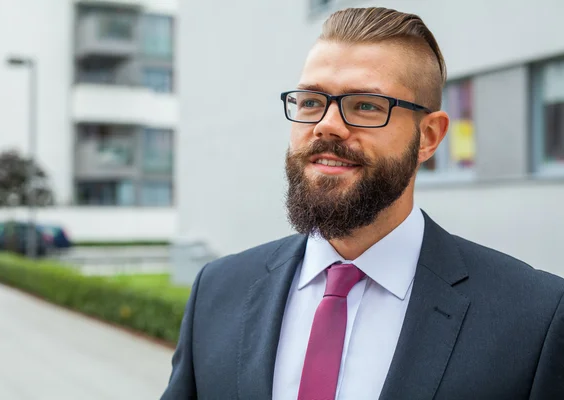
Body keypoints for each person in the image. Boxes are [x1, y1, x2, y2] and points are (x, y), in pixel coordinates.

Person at [161, 7, 564, 400]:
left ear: (429, 136)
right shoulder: (217, 291)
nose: (327, 125)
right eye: (310, 102)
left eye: (366, 106)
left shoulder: (535, 318)